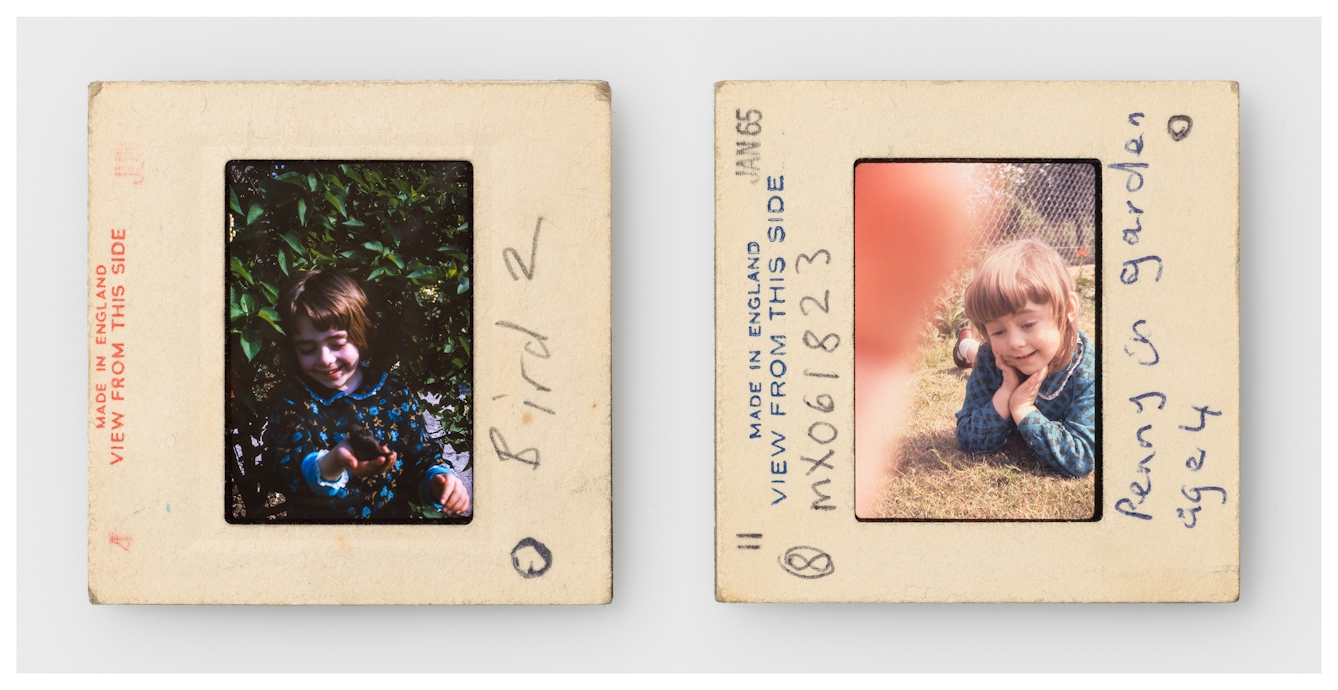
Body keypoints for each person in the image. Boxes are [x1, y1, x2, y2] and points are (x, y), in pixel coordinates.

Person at [259, 269, 471, 520]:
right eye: (307, 348)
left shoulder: (395, 394)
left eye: (337, 343)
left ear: (361, 334)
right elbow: (283, 471)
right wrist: (335, 461)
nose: (326, 359)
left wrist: (439, 482)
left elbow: (420, 459)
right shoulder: (292, 400)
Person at [951, 239, 1095, 478]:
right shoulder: (991, 355)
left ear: (1068, 309)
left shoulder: (1087, 370)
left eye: (1027, 324)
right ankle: (964, 345)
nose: (1014, 342)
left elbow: (1079, 457)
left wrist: (1022, 408)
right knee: (981, 354)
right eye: (998, 331)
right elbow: (968, 438)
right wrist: (1005, 392)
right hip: (991, 357)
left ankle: (968, 345)